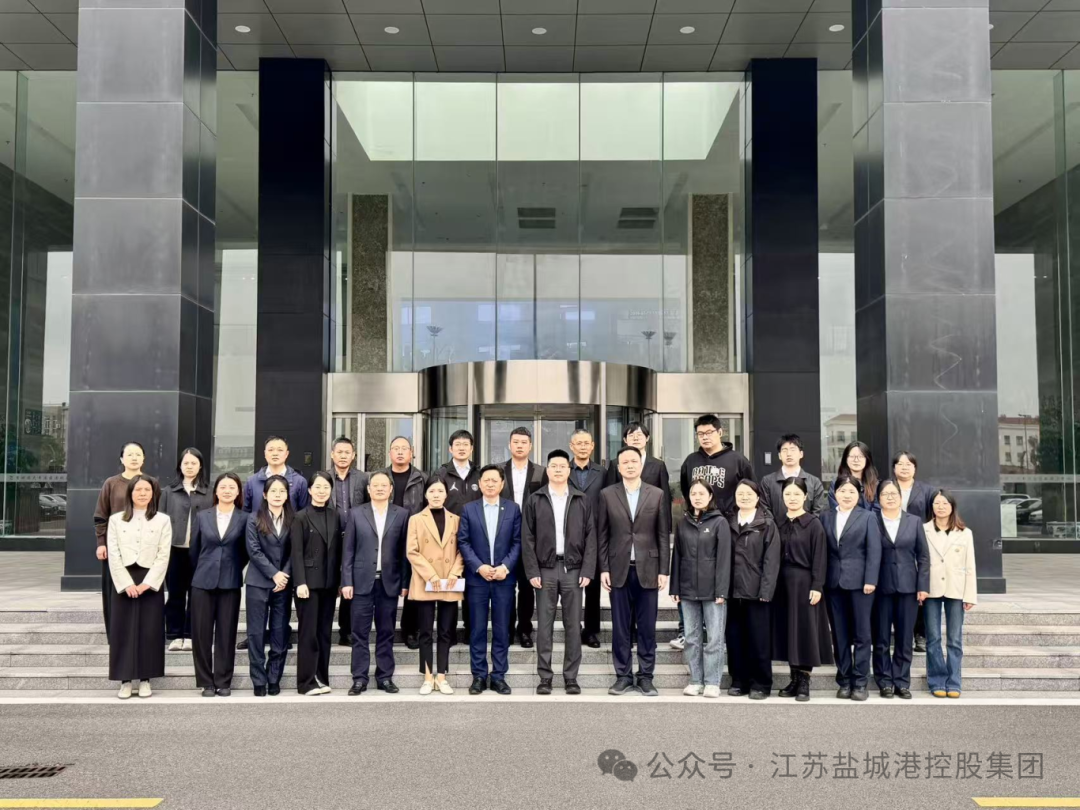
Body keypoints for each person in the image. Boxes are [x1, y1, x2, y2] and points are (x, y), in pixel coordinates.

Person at [599, 445, 671, 697]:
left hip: (649, 569)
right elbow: (602, 535)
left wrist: (664, 569)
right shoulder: (607, 494)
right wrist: (603, 568)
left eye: (634, 461)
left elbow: (663, 534)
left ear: (641, 465)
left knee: (647, 627)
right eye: (625, 462)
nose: (630, 465)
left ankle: (646, 676)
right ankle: (623, 676)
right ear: (618, 468)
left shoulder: (657, 494)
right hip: (618, 569)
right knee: (620, 627)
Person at [523, 449, 595, 696]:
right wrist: (532, 570)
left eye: (562, 466)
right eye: (553, 466)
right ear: (547, 469)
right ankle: (545, 677)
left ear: (569, 470)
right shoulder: (535, 499)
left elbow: (591, 536)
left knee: (573, 625)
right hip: (545, 569)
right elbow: (527, 537)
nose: (557, 470)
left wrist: (587, 569)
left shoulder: (581, 499)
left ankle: (571, 677)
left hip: (573, 569)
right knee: (545, 627)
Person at [604, 422, 676, 649]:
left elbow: (663, 516)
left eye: (640, 434)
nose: (635, 437)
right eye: (631, 434)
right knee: (622, 620)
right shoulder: (612, 476)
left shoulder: (657, 469)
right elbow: (605, 521)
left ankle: (645, 664)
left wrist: (664, 568)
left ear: (647, 438)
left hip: (648, 551)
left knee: (646, 622)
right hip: (620, 552)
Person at [341, 471, 410, 695]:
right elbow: (348, 550)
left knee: (386, 631)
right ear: (369, 489)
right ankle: (359, 678)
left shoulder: (402, 514)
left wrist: (404, 582)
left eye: (384, 485)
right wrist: (346, 581)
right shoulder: (356, 513)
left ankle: (385, 677)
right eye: (375, 485)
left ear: (391, 489)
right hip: (361, 582)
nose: (380, 488)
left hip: (388, 582)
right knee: (359, 633)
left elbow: (404, 553)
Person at [237, 436, 308, 652]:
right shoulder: (253, 481)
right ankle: (257, 639)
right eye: (271, 449)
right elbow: (246, 512)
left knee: (281, 614)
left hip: (286, 554)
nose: (275, 453)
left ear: (287, 453)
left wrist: (285, 570)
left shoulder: (299, 482)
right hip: (260, 551)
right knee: (257, 618)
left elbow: (302, 515)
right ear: (264, 453)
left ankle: (280, 636)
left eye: (279, 449)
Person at [457, 464, 521, 696]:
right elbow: (463, 542)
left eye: (495, 480)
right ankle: (479, 676)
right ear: (480, 484)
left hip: (504, 578)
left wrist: (505, 567)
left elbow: (518, 542)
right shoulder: (469, 509)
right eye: (486, 480)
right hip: (478, 579)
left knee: (502, 630)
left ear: (502, 484)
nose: (491, 484)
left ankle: (499, 676)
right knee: (477, 629)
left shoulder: (513, 509)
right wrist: (479, 566)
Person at [106, 475, 171, 699]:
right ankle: (125, 680)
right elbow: (113, 554)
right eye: (138, 490)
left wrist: (148, 584)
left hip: (150, 580)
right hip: (123, 579)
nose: (142, 493)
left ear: (153, 494)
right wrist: (126, 584)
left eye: (147, 490)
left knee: (150, 630)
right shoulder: (116, 520)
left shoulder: (162, 520)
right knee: (122, 630)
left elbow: (163, 554)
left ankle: (145, 679)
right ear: (130, 493)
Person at [669, 479, 731, 699]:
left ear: (710, 496)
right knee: (692, 638)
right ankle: (695, 680)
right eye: (693, 493)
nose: (697, 497)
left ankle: (712, 682)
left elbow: (724, 559)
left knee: (714, 638)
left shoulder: (719, 522)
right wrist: (675, 587)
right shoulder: (683, 522)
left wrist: (722, 591)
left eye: (701, 493)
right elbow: (677, 556)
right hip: (687, 589)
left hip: (713, 591)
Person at [821, 474, 881, 701]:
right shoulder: (825, 517)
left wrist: (871, 580)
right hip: (833, 583)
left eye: (851, 492)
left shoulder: (868, 517)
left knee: (862, 634)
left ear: (859, 495)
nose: (846, 495)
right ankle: (844, 680)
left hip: (861, 584)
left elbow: (874, 551)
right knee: (839, 634)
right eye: (842, 491)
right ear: (835, 493)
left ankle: (861, 681)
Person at [773, 477, 833, 702]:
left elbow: (820, 557)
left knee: (805, 630)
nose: (792, 498)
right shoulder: (778, 523)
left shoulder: (813, 524)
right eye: (788, 494)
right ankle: (794, 678)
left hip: (805, 583)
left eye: (797, 494)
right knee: (790, 631)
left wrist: (817, 585)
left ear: (805, 496)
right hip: (782, 584)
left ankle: (805, 679)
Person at [189, 473, 247, 697]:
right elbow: (194, 550)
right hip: (202, 582)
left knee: (226, 633)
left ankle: (223, 681)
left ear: (238, 491)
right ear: (216, 491)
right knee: (201, 634)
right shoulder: (202, 516)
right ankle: (206, 681)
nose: (227, 490)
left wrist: (232, 567)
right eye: (223, 487)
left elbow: (245, 552)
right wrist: (205, 568)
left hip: (230, 582)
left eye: (232, 487)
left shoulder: (245, 518)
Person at [872, 479, 930, 700]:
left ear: (900, 497)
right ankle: (884, 681)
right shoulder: (872, 520)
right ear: (878, 499)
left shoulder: (914, 521)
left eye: (893, 494)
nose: (890, 497)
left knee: (905, 638)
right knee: (881, 638)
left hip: (908, 587)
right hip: (880, 587)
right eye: (885, 494)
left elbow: (923, 557)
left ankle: (902, 681)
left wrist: (923, 586)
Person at [405, 477, 463, 695]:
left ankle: (442, 677)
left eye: (440, 491)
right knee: (426, 632)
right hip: (425, 580)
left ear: (446, 494)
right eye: (432, 491)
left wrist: (455, 572)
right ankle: (428, 677)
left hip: (449, 581)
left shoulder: (456, 519)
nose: (436, 495)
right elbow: (412, 551)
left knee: (446, 631)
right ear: (425, 494)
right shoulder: (416, 520)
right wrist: (430, 575)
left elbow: (462, 549)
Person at [726, 480, 780, 700]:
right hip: (732, 592)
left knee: (759, 640)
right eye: (740, 493)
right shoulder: (728, 522)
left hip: (757, 592)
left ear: (758, 497)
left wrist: (766, 591)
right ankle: (739, 681)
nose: (745, 497)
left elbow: (771, 561)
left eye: (749, 493)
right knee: (735, 639)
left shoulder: (766, 524)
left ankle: (761, 683)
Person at [291, 471, 342, 696]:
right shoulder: (300, 517)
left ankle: (321, 678)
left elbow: (338, 550)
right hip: (308, 585)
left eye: (326, 487)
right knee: (308, 633)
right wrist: (300, 582)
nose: (322, 491)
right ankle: (306, 682)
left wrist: (339, 581)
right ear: (310, 490)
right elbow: (296, 552)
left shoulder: (335, 515)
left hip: (329, 583)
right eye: (318, 487)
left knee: (324, 633)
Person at [924, 489, 978, 698]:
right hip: (931, 588)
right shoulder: (924, 530)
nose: (941, 507)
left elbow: (970, 565)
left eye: (945, 503)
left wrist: (970, 595)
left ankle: (954, 681)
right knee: (933, 638)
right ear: (932, 507)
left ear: (952, 507)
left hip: (956, 588)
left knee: (954, 639)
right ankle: (937, 680)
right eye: (937, 503)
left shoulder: (965, 532)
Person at [244, 475, 294, 696]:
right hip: (258, 582)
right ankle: (258, 679)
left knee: (279, 632)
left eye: (282, 491)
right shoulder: (254, 518)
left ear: (287, 495)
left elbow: (295, 550)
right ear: (265, 494)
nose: (277, 495)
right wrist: (274, 574)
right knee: (256, 633)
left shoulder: (293, 519)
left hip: (284, 583)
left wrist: (284, 575)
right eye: (273, 491)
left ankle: (274, 677)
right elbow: (253, 551)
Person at [94, 441, 148, 644]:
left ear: (143, 458)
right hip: (115, 546)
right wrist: (101, 542)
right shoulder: (111, 483)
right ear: (121, 459)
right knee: (114, 589)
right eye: (129, 454)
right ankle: (115, 635)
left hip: (144, 547)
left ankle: (141, 633)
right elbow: (101, 515)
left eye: (138, 454)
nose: (134, 458)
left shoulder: (150, 483)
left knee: (142, 588)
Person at [160, 448, 212, 652]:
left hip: (201, 551)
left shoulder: (209, 491)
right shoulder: (168, 492)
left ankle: (190, 634)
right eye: (186, 463)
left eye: (193, 463)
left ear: (200, 466)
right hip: (174, 550)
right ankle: (174, 635)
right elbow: (160, 520)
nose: (189, 466)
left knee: (197, 595)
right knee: (175, 593)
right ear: (180, 466)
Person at [503, 426, 548, 649]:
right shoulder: (498, 470)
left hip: (532, 538)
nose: (519, 446)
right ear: (509, 445)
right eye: (516, 442)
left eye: (524, 442)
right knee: (506, 586)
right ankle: (507, 629)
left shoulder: (541, 472)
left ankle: (525, 629)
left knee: (527, 587)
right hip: (504, 537)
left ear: (530, 446)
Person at [385, 435, 427, 650]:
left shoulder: (422, 478)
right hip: (386, 536)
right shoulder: (380, 477)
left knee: (413, 583)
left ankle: (410, 629)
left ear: (412, 453)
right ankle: (386, 629)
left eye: (404, 448)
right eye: (396, 448)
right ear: (390, 452)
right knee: (387, 582)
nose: (400, 452)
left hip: (414, 536)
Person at [567, 429, 607, 649]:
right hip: (568, 534)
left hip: (596, 534)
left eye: (586, 443)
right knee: (571, 585)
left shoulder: (603, 472)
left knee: (592, 587)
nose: (582, 447)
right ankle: (573, 628)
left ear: (592, 446)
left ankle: (591, 631)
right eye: (578, 443)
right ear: (571, 446)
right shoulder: (563, 469)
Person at [892, 450, 935, 652]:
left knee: (919, 591)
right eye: (900, 464)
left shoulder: (927, 491)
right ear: (894, 468)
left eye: (908, 464)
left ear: (915, 468)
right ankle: (901, 633)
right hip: (892, 546)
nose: (904, 467)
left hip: (917, 545)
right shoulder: (887, 488)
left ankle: (920, 634)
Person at [329, 436, 369, 648]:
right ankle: (324, 628)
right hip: (330, 539)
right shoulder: (323, 478)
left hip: (356, 539)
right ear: (332, 454)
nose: (343, 456)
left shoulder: (363, 478)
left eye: (347, 452)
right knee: (329, 583)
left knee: (350, 583)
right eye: (339, 452)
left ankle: (346, 631)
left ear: (353, 455)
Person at [679, 414, 754, 519]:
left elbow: (752, 489)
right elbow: (685, 489)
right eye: (700, 434)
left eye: (709, 433)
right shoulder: (691, 460)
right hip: (699, 520)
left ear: (720, 432)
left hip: (729, 520)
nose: (705, 437)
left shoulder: (738, 460)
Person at [760, 434, 828, 517]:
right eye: (784, 450)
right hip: (775, 526)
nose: (789, 454)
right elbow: (765, 510)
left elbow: (818, 511)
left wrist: (807, 524)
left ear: (801, 454)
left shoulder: (814, 482)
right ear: (779, 456)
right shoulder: (768, 481)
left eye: (793, 450)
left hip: (807, 525)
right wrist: (774, 526)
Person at [437, 429, 482, 516]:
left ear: (471, 449)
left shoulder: (479, 473)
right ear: (450, 449)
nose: (461, 448)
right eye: (457, 444)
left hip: (474, 523)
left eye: (465, 444)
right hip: (449, 523)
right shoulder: (441, 474)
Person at [829, 440, 879, 511]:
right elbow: (836, 509)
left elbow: (877, 511)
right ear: (846, 459)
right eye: (852, 456)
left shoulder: (876, 485)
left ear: (867, 459)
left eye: (860, 456)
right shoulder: (836, 484)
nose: (856, 460)